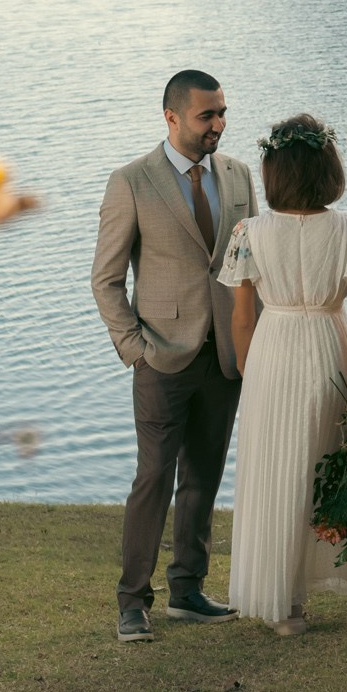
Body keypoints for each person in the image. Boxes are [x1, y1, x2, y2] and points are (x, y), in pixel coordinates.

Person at [218, 113, 347, 635]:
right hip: (327, 348)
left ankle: (286, 608)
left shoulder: (249, 232)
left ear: (273, 173)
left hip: (272, 352)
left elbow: (242, 317)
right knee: (342, 467)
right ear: (329, 167)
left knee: (278, 471)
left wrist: (250, 371)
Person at [91, 70, 259, 643]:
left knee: (204, 477)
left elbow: (249, 268)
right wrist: (134, 347)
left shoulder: (238, 176)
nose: (219, 124)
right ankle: (132, 602)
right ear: (171, 118)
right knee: (154, 478)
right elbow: (106, 280)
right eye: (206, 115)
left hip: (226, 357)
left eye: (222, 113)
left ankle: (187, 589)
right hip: (160, 358)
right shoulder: (132, 182)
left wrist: (252, 342)